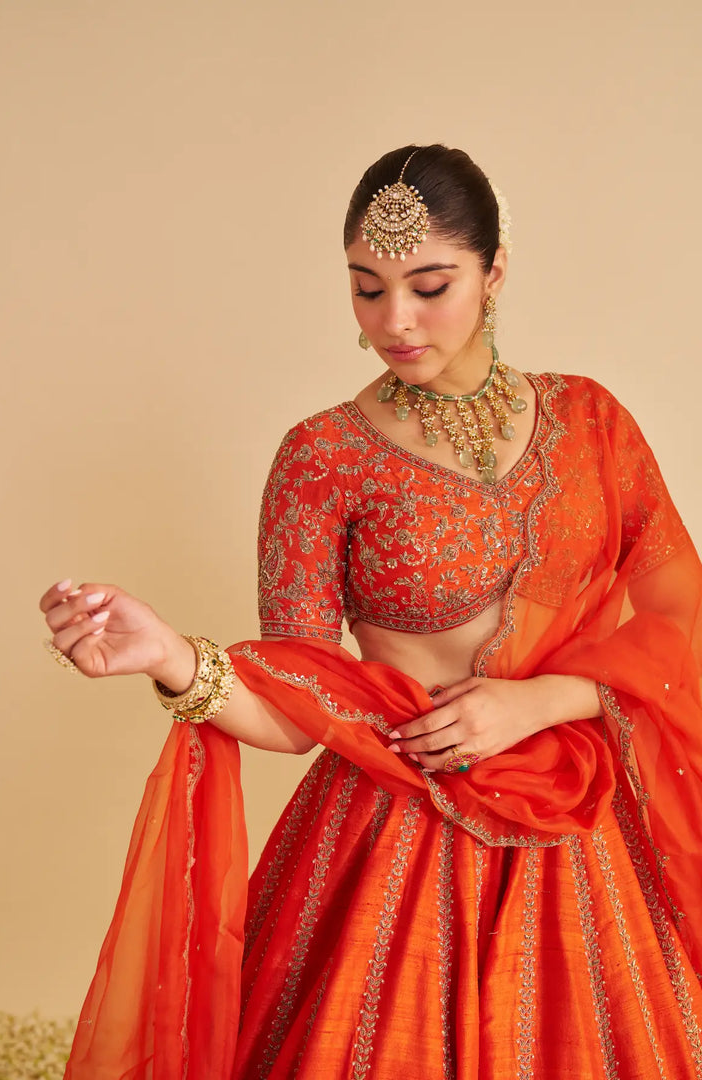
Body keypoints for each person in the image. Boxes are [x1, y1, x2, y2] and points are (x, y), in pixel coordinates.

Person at [40, 144, 702, 1079]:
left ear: (495, 271)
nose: (395, 321)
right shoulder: (321, 459)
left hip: (581, 832)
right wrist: (168, 658)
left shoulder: (594, 423)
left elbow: (681, 626)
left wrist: (543, 701)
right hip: (391, 831)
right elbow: (297, 700)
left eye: (430, 286)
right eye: (366, 288)